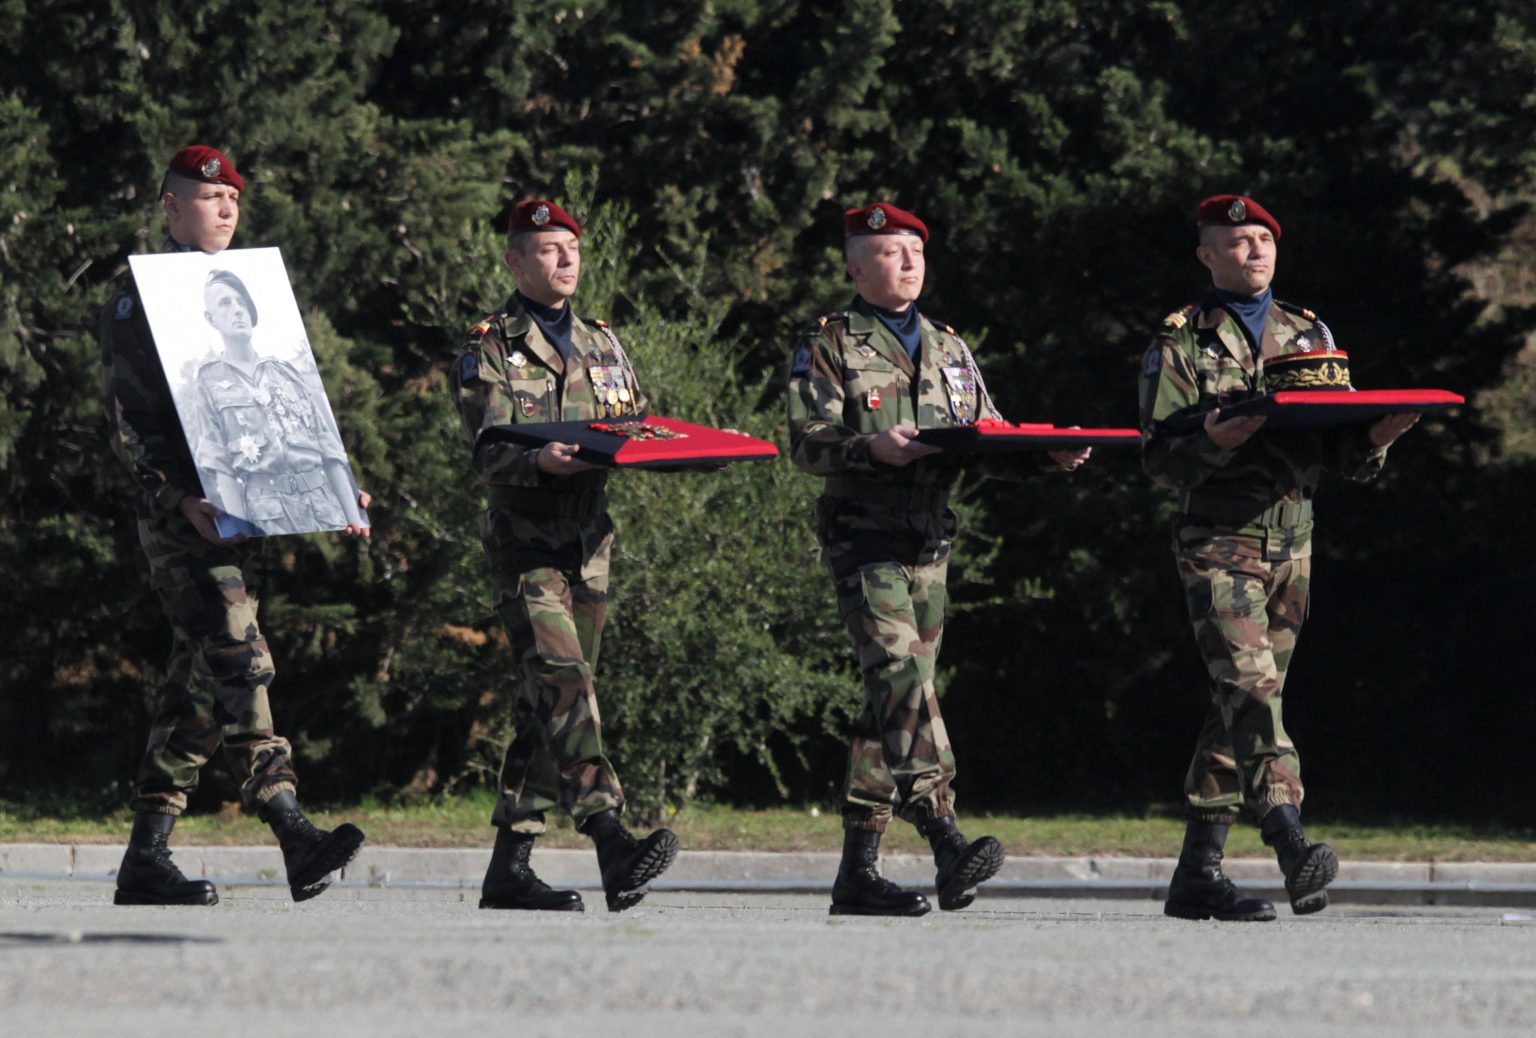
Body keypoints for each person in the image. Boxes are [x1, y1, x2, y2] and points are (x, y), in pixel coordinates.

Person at [787, 201, 1091, 916]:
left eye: (916, 252)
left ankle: (858, 874)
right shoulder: (829, 341)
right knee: (900, 673)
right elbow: (806, 441)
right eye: (891, 252)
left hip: (930, 538)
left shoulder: (949, 346)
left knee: (892, 695)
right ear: (856, 267)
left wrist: (1044, 454)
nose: (909, 262)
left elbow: (985, 434)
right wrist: (869, 447)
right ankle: (944, 833)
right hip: (864, 532)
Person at [100, 145, 370, 906]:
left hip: (245, 520)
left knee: (196, 692)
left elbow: (294, 420)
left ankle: (145, 860)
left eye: (234, 199)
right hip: (186, 523)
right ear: (170, 206)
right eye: (208, 196)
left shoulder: (257, 299)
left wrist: (336, 492)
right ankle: (291, 826)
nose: (225, 208)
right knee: (239, 654)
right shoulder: (139, 299)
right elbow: (129, 423)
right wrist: (177, 499)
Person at [1139, 194, 1420, 921]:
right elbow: (1160, 460)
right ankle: (1289, 838)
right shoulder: (1181, 340)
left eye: (1263, 238)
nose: (1255, 250)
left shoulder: (1308, 331)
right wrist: (1212, 442)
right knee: (1251, 689)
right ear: (1207, 255)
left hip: (1293, 539)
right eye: (1238, 241)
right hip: (1218, 537)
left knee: (1235, 701)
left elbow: (1341, 450)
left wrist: (1377, 437)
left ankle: (1197, 874)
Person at [451, 198, 678, 913]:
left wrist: (677, 449)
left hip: (590, 541)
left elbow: (633, 424)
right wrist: (538, 461)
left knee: (547, 704)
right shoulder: (490, 344)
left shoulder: (602, 341)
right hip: (526, 541)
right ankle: (611, 836)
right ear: (516, 262)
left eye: (572, 248)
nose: (566, 259)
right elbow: (487, 449)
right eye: (549, 249)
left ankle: (508, 870)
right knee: (567, 684)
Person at [192, 268, 363, 536]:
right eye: (225, 303)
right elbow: (220, 466)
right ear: (210, 318)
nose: (237, 310)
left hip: (324, 509)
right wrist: (238, 529)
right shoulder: (208, 380)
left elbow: (330, 452)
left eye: (241, 302)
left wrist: (356, 518)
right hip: (266, 516)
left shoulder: (286, 373)